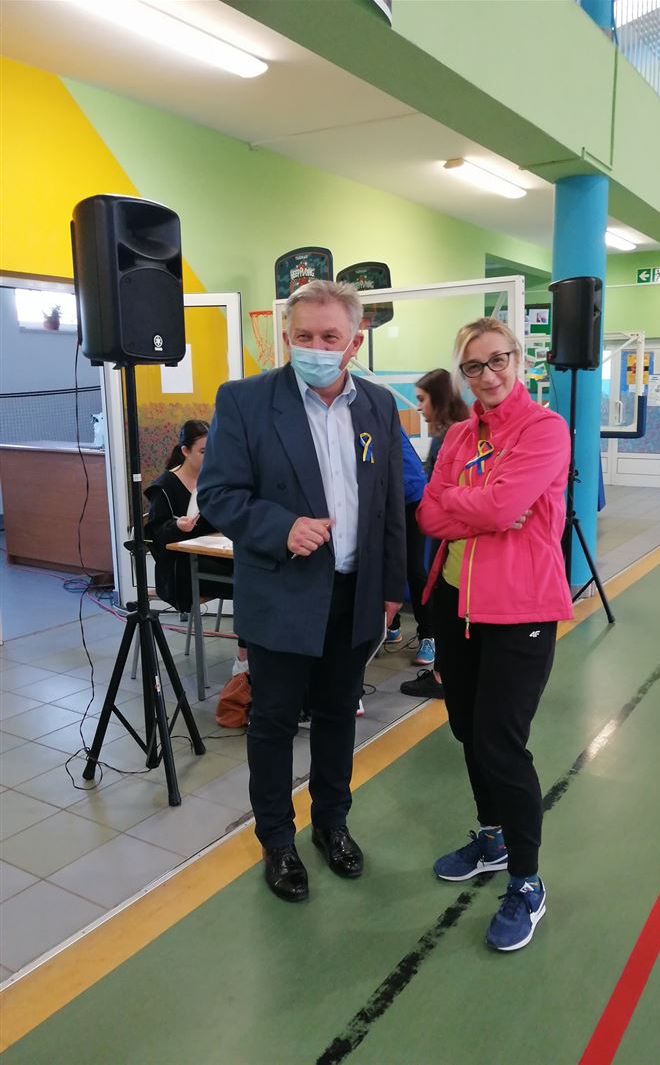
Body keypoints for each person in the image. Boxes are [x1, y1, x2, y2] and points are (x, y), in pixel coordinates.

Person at [198, 280, 405, 904]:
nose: (315, 346)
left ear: (354, 342)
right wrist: (281, 527)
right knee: (273, 722)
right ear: (287, 336)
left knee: (340, 714)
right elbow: (218, 495)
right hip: (283, 591)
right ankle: (277, 840)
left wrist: (391, 586)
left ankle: (332, 824)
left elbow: (388, 502)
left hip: (355, 593)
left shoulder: (377, 405)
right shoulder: (246, 401)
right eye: (304, 335)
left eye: (329, 336)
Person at [416, 316, 573, 953]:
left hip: (519, 610)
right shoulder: (458, 434)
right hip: (456, 605)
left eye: (498, 359)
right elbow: (429, 512)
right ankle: (492, 837)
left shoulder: (544, 429)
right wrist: (478, 507)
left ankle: (527, 882)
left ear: (518, 358)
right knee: (465, 729)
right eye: (474, 366)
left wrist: (468, 503)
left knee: (501, 745)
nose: (488, 375)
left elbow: (505, 507)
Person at [144, 420, 247, 674]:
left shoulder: (211, 481)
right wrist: (177, 526)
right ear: (185, 451)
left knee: (255, 574)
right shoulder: (164, 487)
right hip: (179, 569)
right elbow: (156, 534)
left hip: (208, 556)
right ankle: (244, 661)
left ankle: (252, 655)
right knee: (250, 586)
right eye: (203, 451)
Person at [399, 368, 470, 699]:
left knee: (439, 593)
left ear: (438, 399)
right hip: (451, 533)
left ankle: (442, 674)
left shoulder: (450, 436)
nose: (418, 406)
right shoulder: (455, 431)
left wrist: (438, 511)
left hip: (451, 536)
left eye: (422, 399)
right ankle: (445, 670)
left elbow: (444, 492)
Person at [383, 429, 436, 667]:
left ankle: (428, 635)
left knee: (414, 567)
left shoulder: (382, 420)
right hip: (382, 500)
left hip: (410, 497)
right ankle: (391, 627)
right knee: (382, 563)